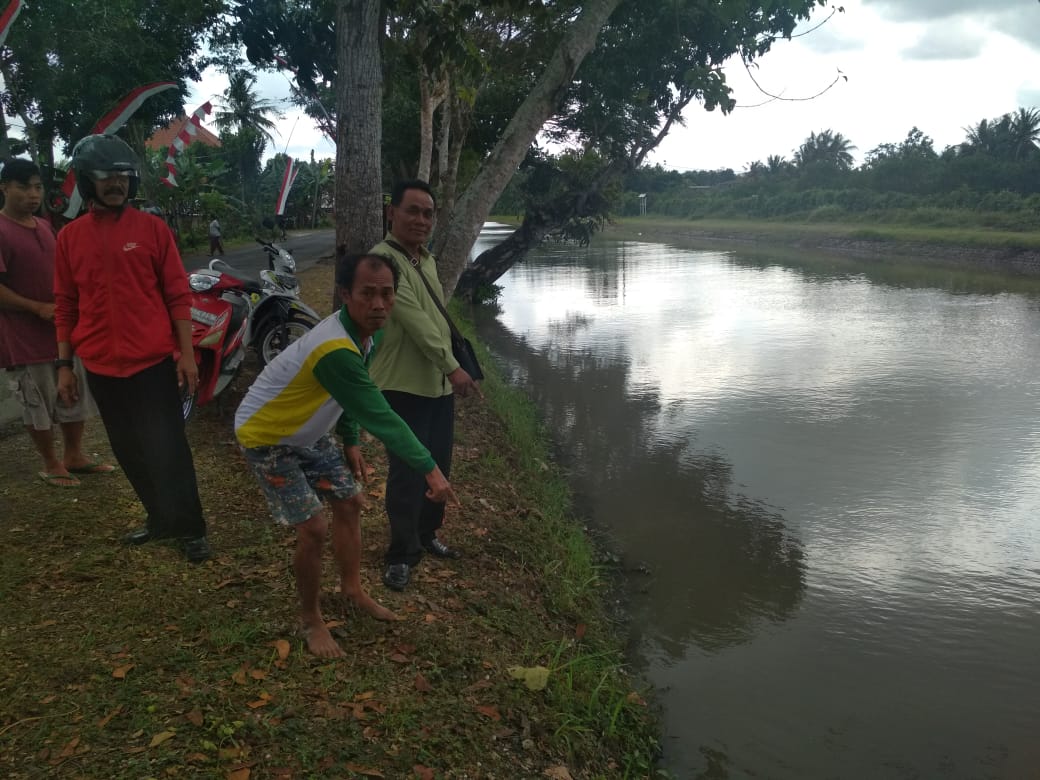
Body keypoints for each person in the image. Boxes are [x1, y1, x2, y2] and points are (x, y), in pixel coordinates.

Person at [235, 250, 458, 658]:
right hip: (267, 433)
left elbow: (353, 399)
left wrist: (350, 440)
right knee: (314, 529)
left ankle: (352, 589)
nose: (378, 304)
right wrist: (431, 470)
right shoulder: (335, 347)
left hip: (308, 430)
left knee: (351, 503)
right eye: (367, 294)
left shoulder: (368, 332)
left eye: (387, 294)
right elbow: (381, 415)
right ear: (345, 295)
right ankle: (311, 619)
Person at [53, 134, 210, 563]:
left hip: (152, 363)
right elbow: (66, 304)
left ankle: (191, 527)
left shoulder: (152, 230)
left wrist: (188, 355)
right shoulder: (69, 239)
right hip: (101, 367)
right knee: (128, 448)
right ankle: (159, 520)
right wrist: (64, 365)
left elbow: (178, 295)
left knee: (168, 446)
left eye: (122, 176)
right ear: (87, 181)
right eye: (105, 177)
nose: (115, 184)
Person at [369, 179, 481, 592]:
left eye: (428, 213)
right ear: (391, 213)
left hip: (436, 385)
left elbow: (437, 319)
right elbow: (415, 323)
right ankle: (401, 554)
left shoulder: (425, 261)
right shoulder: (384, 261)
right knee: (407, 472)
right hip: (404, 385)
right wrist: (453, 367)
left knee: (438, 463)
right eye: (412, 211)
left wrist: (449, 371)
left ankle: (428, 533)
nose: (421, 220)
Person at [0, 158, 114, 487]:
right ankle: (50, 463)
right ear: (4, 188)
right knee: (37, 399)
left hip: (63, 331)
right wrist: (35, 307)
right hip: (22, 336)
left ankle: (74, 455)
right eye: (23, 187)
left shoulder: (45, 226)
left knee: (72, 394)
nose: (32, 195)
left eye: (37, 187)